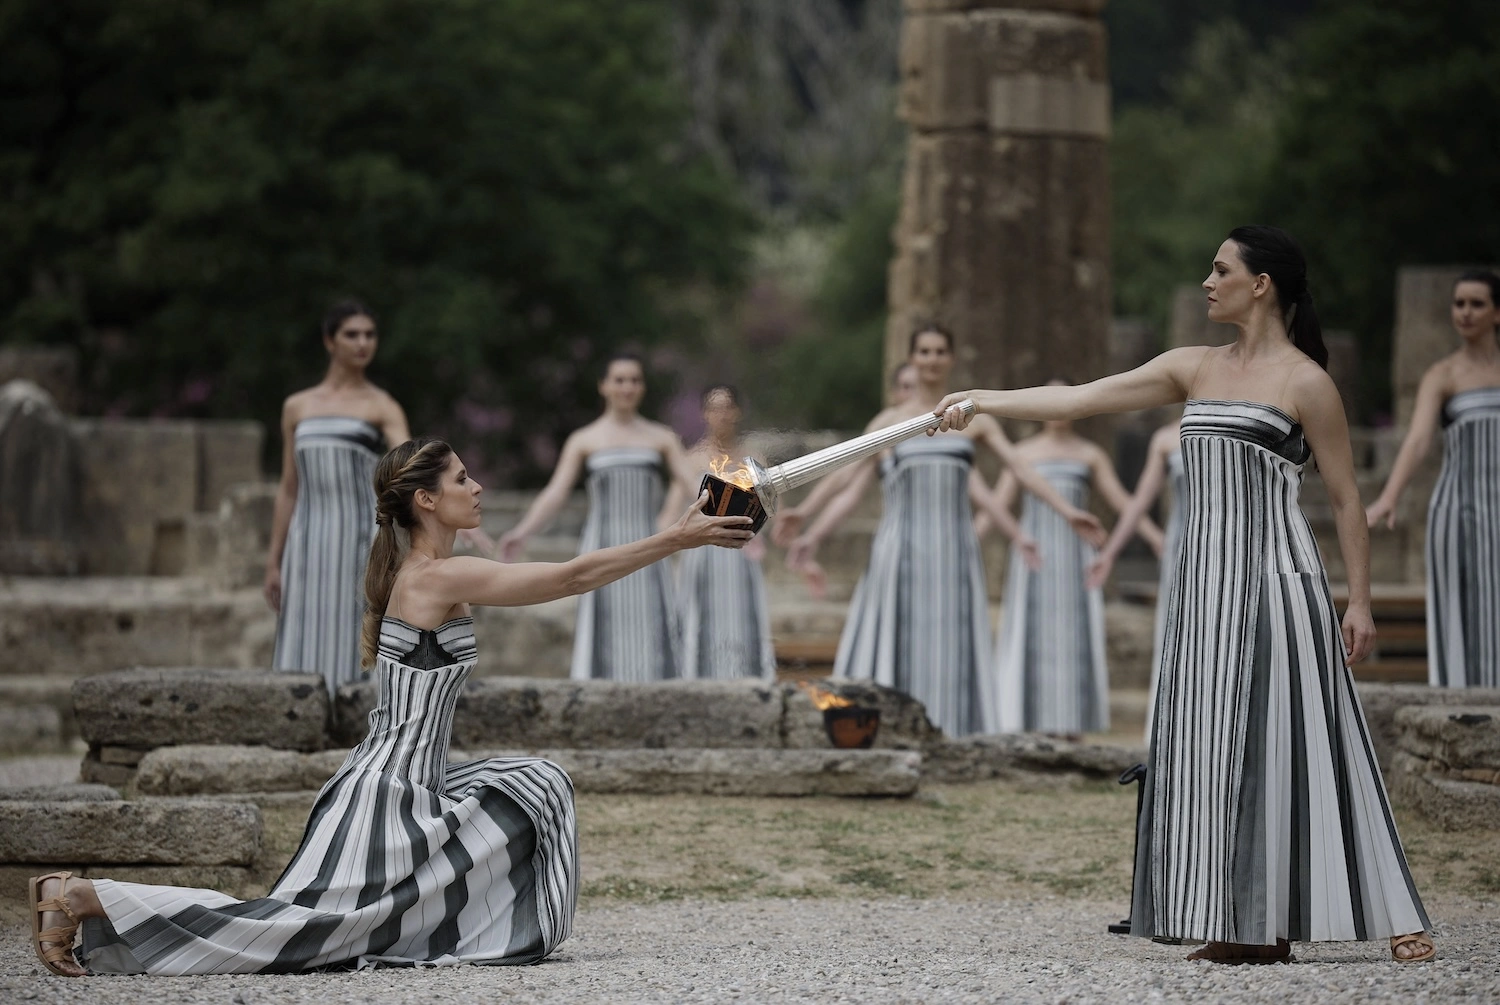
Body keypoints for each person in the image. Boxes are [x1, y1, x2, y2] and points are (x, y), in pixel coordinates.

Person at [29, 438, 753, 977]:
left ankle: (455, 932)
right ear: (427, 501)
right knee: (284, 935)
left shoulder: (425, 570)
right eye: (463, 479)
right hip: (384, 796)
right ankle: (81, 894)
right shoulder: (433, 575)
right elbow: (570, 575)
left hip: (409, 788)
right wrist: (677, 537)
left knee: (538, 783)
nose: (477, 487)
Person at [934, 226, 1433, 963]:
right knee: (1205, 748)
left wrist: (1357, 602)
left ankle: (1392, 910)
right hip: (1201, 589)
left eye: (1221, 269)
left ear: (1260, 284)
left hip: (1275, 581)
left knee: (1309, 740)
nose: (1208, 280)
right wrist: (983, 401)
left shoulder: (1305, 383)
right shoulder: (1192, 367)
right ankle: (1240, 923)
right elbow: (1083, 398)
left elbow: (1348, 501)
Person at [785, 327, 1099, 737]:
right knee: (900, 634)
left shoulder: (974, 419)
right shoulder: (890, 422)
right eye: (924, 351)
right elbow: (847, 474)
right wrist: (806, 513)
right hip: (902, 550)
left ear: (951, 359)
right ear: (913, 357)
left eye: (939, 352)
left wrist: (1066, 510)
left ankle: (951, 730)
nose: (931, 359)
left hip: (955, 550)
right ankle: (889, 728)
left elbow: (1019, 467)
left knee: (953, 638)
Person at [498, 353, 702, 681]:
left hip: (649, 546)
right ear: (604, 386)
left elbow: (692, 485)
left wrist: (729, 510)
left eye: (635, 380)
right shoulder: (584, 439)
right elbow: (556, 492)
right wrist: (523, 532)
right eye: (619, 380)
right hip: (601, 545)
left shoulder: (661, 437)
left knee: (652, 623)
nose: (627, 387)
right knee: (603, 625)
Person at [986, 383, 1162, 734]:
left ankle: (1073, 723)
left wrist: (1154, 537)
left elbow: (1122, 501)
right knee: (1030, 633)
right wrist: (995, 534)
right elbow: (997, 503)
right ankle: (1026, 721)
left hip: (1076, 558)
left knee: (1074, 636)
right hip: (1035, 556)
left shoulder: (1089, 454)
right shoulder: (1022, 453)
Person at [265, 301, 411, 695]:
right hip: (307, 538)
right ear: (330, 341)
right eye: (352, 334)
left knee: (354, 624)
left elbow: (413, 463)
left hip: (357, 536)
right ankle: (299, 712)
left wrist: (453, 490)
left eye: (369, 334)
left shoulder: (382, 406)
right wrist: (274, 560)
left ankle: (355, 722)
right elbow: (289, 486)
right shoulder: (297, 407)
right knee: (303, 623)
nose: (363, 343)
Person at [1366, 270, 1500, 688]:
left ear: (1497, 313)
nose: (1465, 312)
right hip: (1457, 511)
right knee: (1458, 609)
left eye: (1476, 303)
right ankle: (1460, 708)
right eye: (1458, 303)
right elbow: (1419, 439)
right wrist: (1388, 497)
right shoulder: (1443, 375)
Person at [1086, 416, 1183, 738]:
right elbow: (1139, 501)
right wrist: (1110, 554)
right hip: (1183, 549)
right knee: (1179, 636)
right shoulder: (1166, 438)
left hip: (1242, 545)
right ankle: (1176, 728)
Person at [677, 384, 777, 678]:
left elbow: (771, 509)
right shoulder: (689, 459)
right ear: (705, 413)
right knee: (700, 620)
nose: (721, 414)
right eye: (714, 407)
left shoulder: (754, 458)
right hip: (702, 554)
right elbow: (675, 508)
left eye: (727, 407)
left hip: (741, 554)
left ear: (737, 412)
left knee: (743, 618)